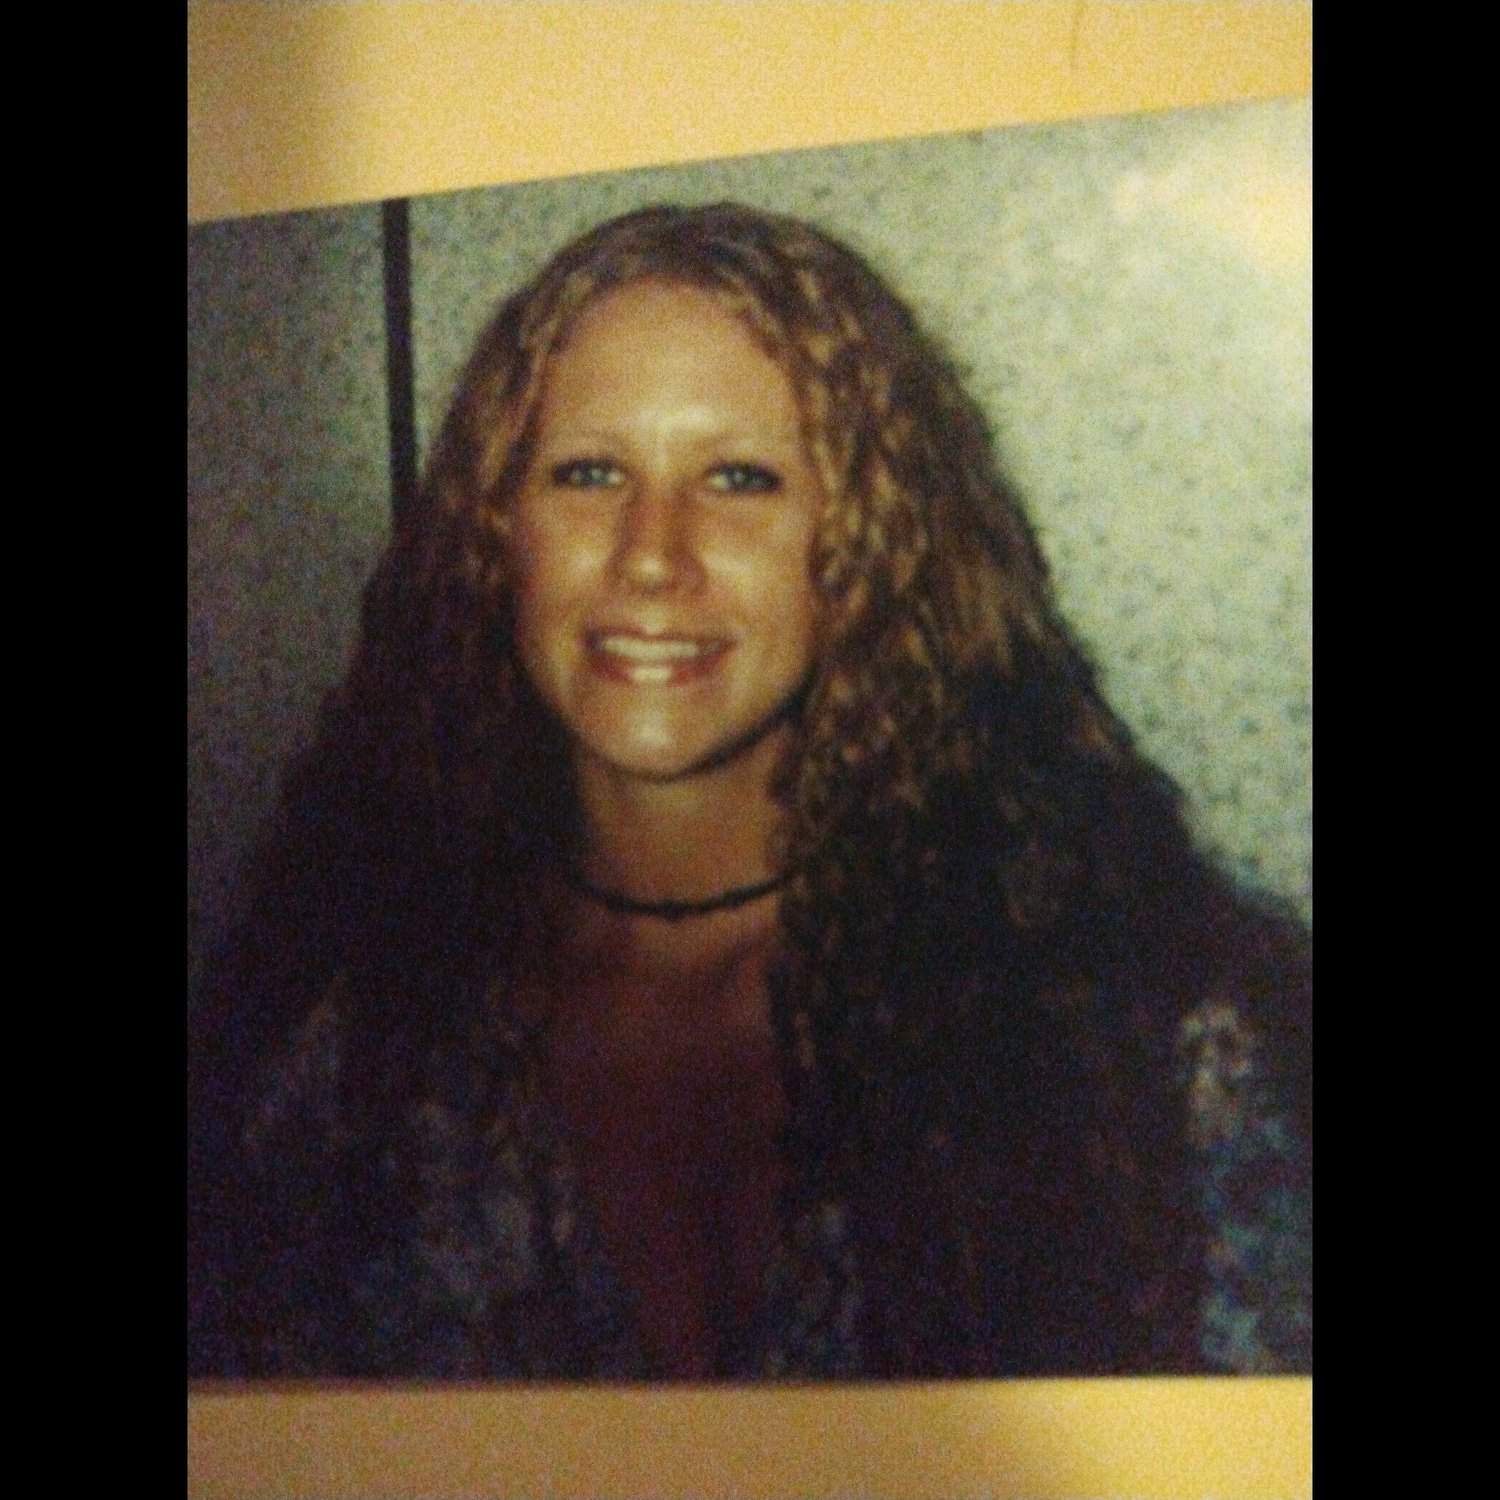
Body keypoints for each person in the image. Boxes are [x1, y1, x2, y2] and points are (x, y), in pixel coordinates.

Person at [188, 202, 1310, 1380]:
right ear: (495, 531)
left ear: (869, 540)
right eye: (588, 472)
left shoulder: (1149, 1024)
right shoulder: (335, 1051)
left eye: (739, 478)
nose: (651, 555)